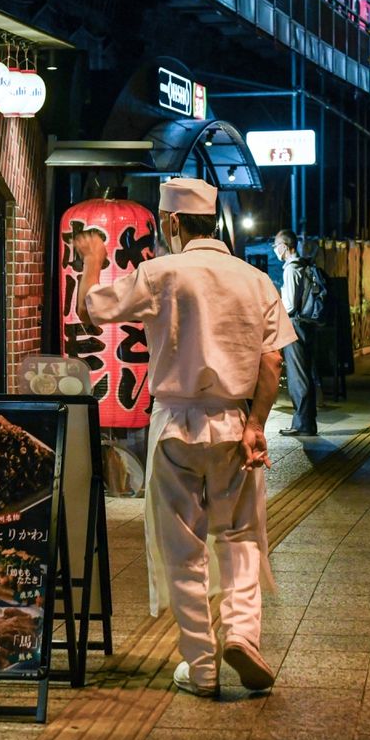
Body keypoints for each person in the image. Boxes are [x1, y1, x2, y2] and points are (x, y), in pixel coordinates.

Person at [75, 178, 290, 698]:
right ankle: (242, 634)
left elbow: (91, 309)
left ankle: (202, 667)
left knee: (183, 547)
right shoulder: (256, 280)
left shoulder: (161, 272)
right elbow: (273, 359)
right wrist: (257, 424)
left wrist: (94, 258)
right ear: (212, 222)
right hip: (235, 424)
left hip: (174, 424)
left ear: (172, 223)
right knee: (239, 536)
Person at [273, 229, 319, 437]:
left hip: (295, 325)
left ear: (284, 246)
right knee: (306, 373)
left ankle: (302, 424)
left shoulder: (291, 269)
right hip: (307, 325)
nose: (275, 250)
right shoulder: (305, 266)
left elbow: (290, 305)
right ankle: (308, 421)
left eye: (276, 246)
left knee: (297, 375)